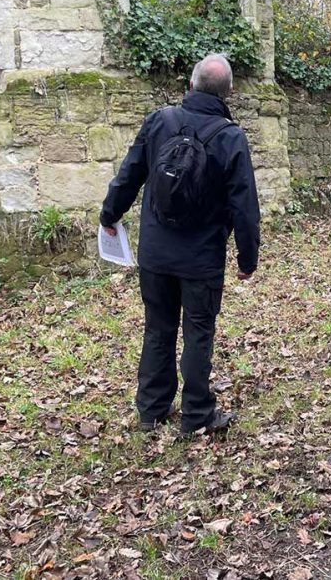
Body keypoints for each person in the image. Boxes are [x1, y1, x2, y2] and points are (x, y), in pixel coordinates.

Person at [100, 54, 260, 435]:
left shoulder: (159, 121)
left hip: (155, 252)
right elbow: (245, 205)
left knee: (158, 328)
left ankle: (151, 410)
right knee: (198, 332)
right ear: (230, 94)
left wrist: (109, 214)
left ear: (190, 85)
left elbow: (130, 174)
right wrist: (247, 258)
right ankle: (197, 414)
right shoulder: (231, 137)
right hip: (201, 258)